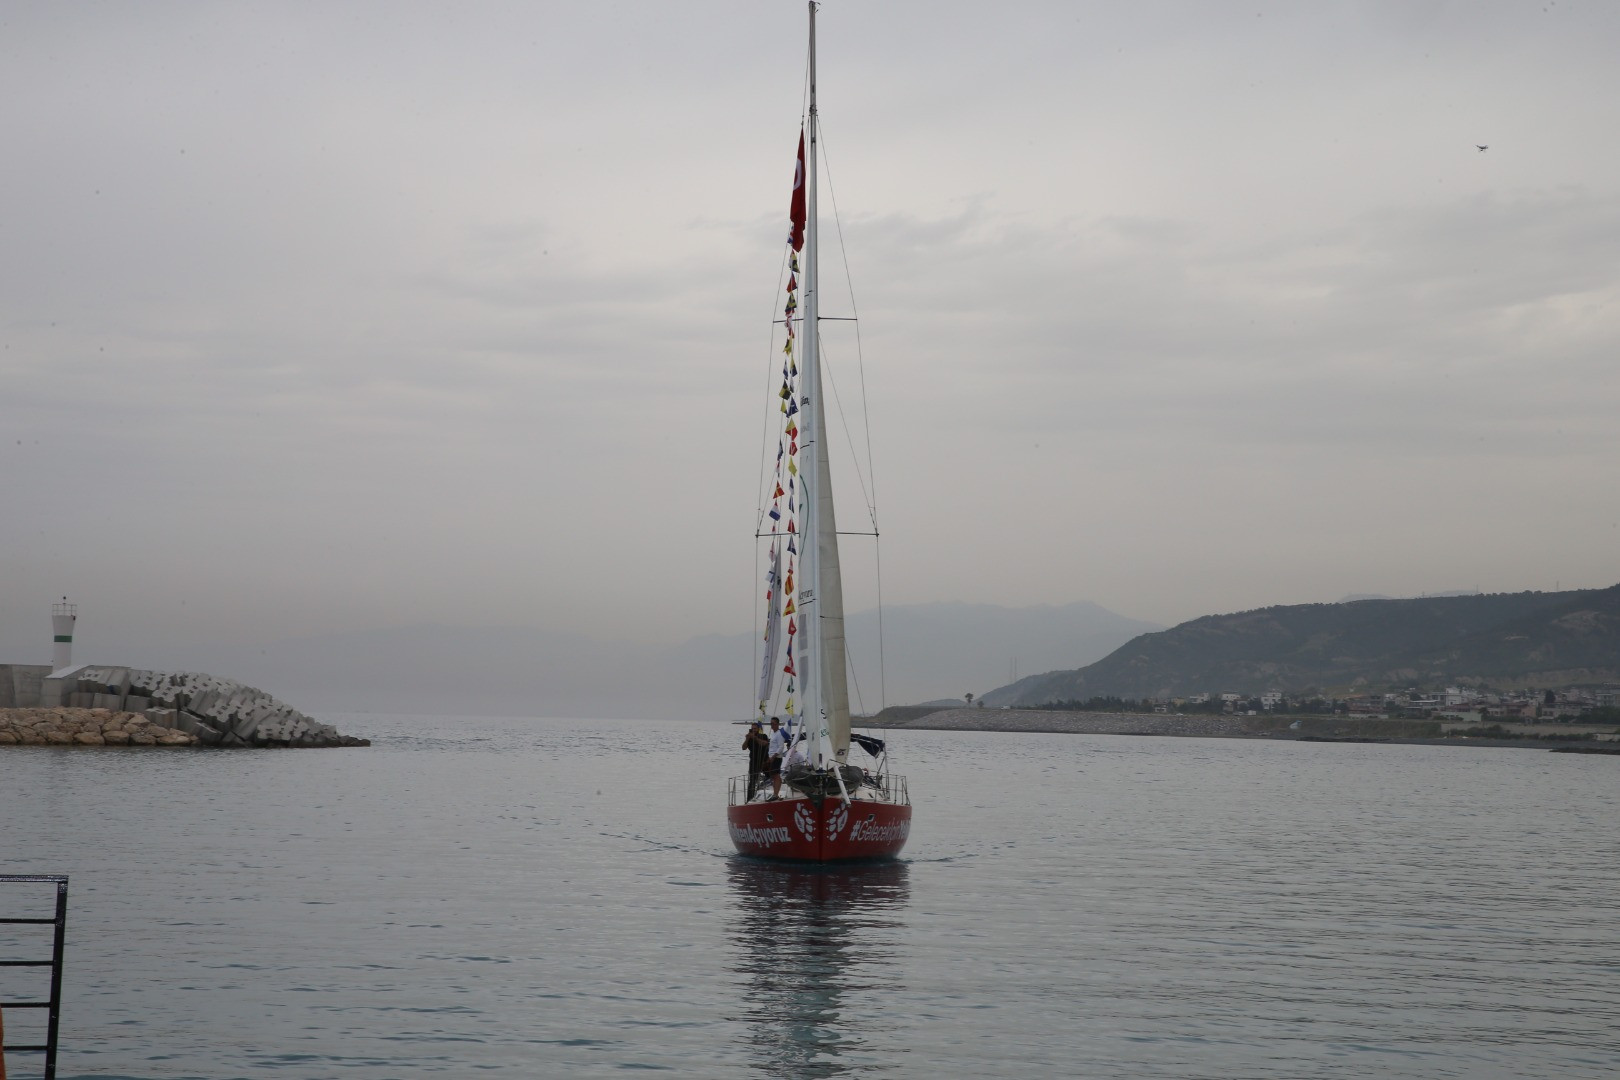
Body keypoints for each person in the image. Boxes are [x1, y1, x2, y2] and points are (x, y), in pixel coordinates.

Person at [742, 721, 770, 800]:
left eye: (755, 728)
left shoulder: (763, 736)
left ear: (759, 729)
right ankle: (750, 798)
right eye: (752, 729)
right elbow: (743, 748)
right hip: (753, 761)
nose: (754, 730)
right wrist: (747, 739)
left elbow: (765, 743)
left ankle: (770, 793)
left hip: (764, 761)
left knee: (769, 777)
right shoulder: (750, 738)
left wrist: (755, 738)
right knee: (752, 781)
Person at [766, 716, 789, 798]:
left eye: (773, 724)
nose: (772, 725)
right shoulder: (773, 733)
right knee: (773, 775)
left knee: (776, 775)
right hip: (772, 757)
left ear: (778, 724)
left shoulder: (779, 734)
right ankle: (775, 792)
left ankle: (776, 794)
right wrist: (769, 756)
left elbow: (781, 747)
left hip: (776, 758)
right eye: (771, 724)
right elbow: (772, 747)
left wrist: (773, 756)